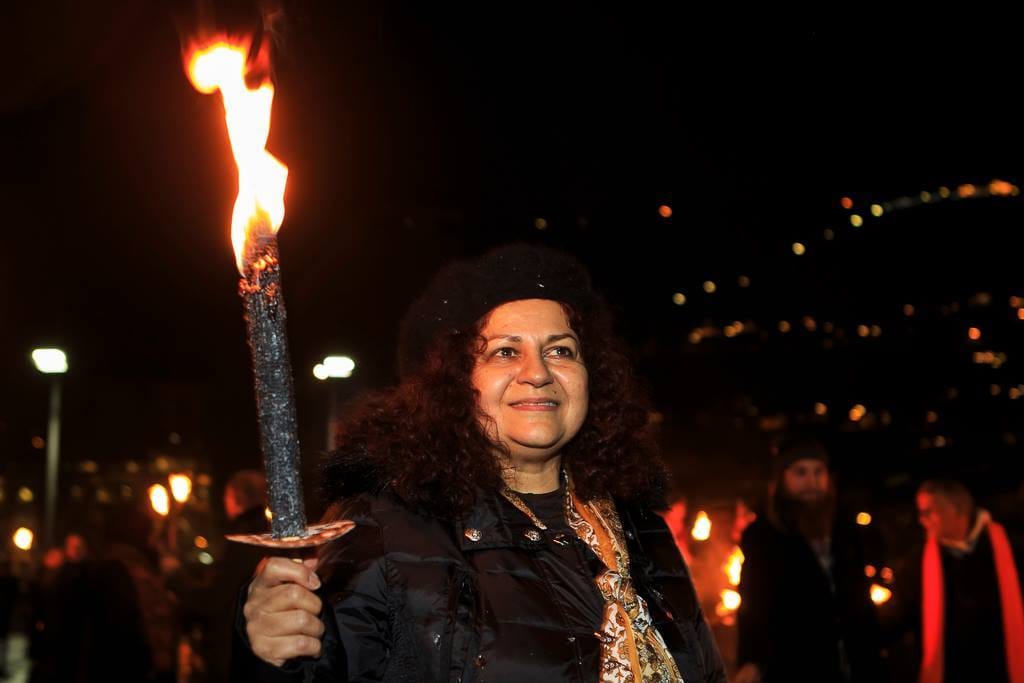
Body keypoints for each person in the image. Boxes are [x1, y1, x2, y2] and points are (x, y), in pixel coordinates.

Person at [236, 244, 726, 681]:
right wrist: (269, 652)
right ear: (453, 384)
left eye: (560, 350)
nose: (537, 373)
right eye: (504, 352)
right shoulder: (379, 533)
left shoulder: (643, 530)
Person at [734, 437, 881, 683]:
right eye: (801, 473)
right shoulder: (764, 536)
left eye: (818, 472)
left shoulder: (846, 530)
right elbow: (754, 603)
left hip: (855, 664)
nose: (811, 482)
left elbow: (860, 598)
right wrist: (752, 660)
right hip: (796, 666)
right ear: (783, 478)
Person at [906, 479, 1024, 683]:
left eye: (928, 512)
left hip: (1003, 667)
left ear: (955, 509)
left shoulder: (1010, 547)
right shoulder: (920, 563)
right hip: (955, 672)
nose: (921, 520)